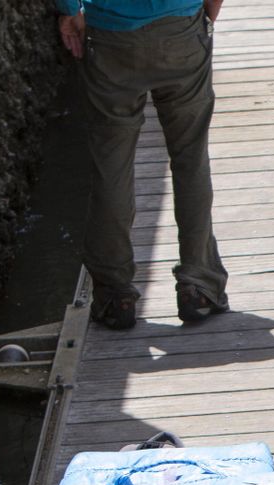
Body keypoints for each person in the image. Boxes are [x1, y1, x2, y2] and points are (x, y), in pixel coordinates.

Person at [57, 0, 230, 329]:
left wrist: (69, 10)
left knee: (111, 168)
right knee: (190, 157)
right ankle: (199, 285)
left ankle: (115, 295)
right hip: (181, 29)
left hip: (109, 36)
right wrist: (207, 13)